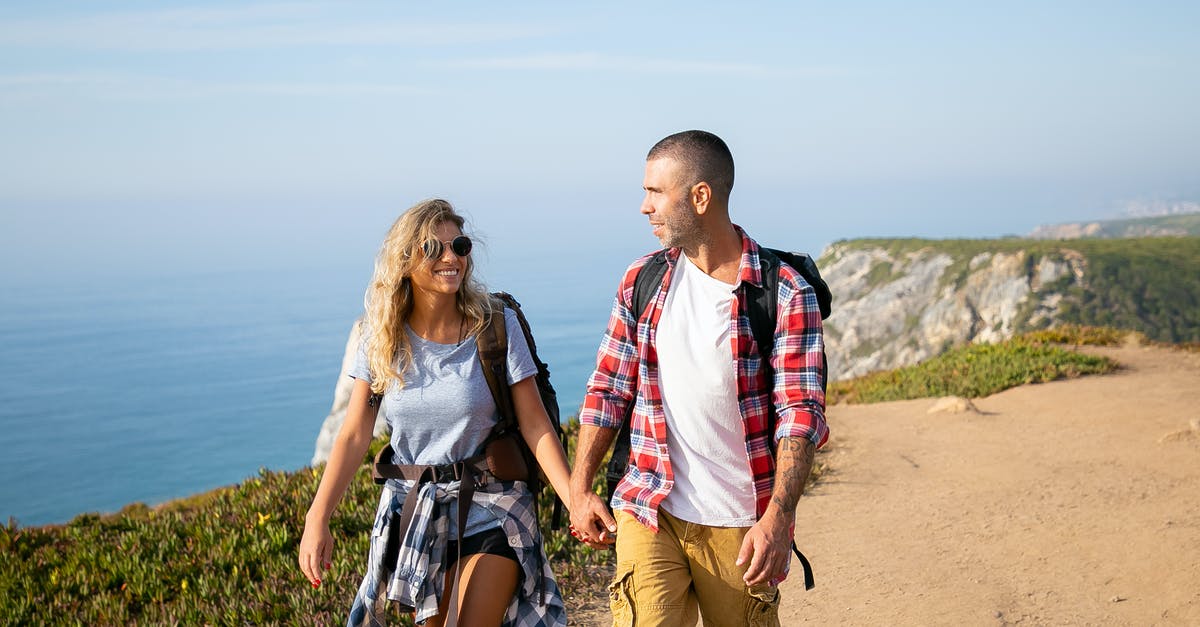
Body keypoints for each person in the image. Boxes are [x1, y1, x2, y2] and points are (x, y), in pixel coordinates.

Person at [568, 131, 829, 626]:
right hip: (649, 506)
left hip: (740, 521)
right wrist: (580, 489)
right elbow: (608, 389)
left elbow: (800, 417)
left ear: (700, 197)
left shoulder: (786, 294)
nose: (644, 207)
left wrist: (778, 519)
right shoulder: (642, 280)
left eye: (655, 192)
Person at [299, 198, 571, 627]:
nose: (451, 258)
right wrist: (318, 517)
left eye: (459, 246)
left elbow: (535, 423)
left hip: (494, 506)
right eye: (433, 249)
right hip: (417, 514)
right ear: (405, 261)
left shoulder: (496, 325)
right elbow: (354, 435)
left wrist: (575, 499)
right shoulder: (381, 340)